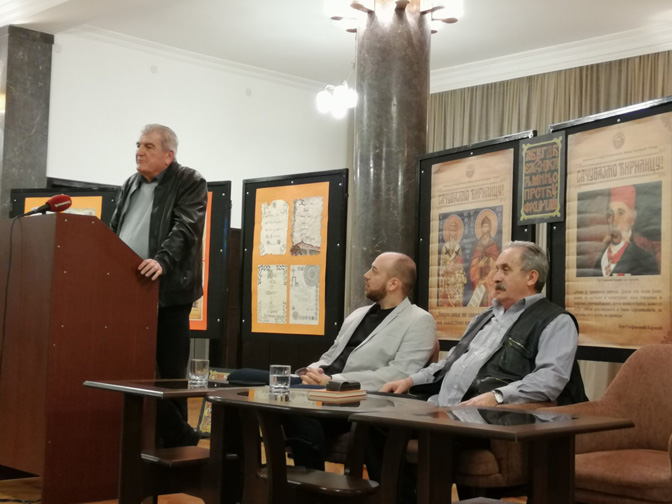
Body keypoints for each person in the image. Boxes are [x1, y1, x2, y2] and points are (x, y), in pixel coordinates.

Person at [374, 241, 587, 502]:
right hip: (443, 409)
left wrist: (497, 396)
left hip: (485, 419)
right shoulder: (485, 317)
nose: (494, 276)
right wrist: (409, 380)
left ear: (531, 277)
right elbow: (449, 364)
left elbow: (550, 380)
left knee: (437, 435)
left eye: (505, 269)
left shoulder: (556, 321)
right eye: (495, 268)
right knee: (376, 422)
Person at [228, 252, 437, 468]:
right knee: (237, 380)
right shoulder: (358, 314)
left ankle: (308, 482)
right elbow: (331, 355)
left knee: (296, 402)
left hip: (352, 398)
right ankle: (235, 473)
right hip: (316, 385)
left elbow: (398, 374)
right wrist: (309, 373)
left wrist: (334, 382)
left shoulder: (419, 320)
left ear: (393, 284)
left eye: (374, 271)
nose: (366, 275)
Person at [110, 124, 208, 447]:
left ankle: (178, 444)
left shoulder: (189, 181)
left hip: (169, 292)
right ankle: (163, 437)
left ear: (169, 155)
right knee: (126, 367)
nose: (139, 151)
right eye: (138, 145)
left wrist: (162, 261)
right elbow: (115, 229)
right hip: (129, 290)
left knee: (169, 371)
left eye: (148, 146)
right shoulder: (130, 184)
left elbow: (186, 227)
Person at [593, 185, 658, 276]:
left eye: (620, 213)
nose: (614, 221)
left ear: (632, 219)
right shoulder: (601, 258)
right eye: (611, 213)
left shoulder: (646, 262)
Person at [468, 214, 499, 306]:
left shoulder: (493, 245)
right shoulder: (478, 245)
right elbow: (473, 266)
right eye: (483, 226)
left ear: (490, 228)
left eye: (487, 226)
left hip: (488, 282)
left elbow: (495, 267)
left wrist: (486, 279)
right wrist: (478, 266)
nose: (485, 228)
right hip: (478, 283)